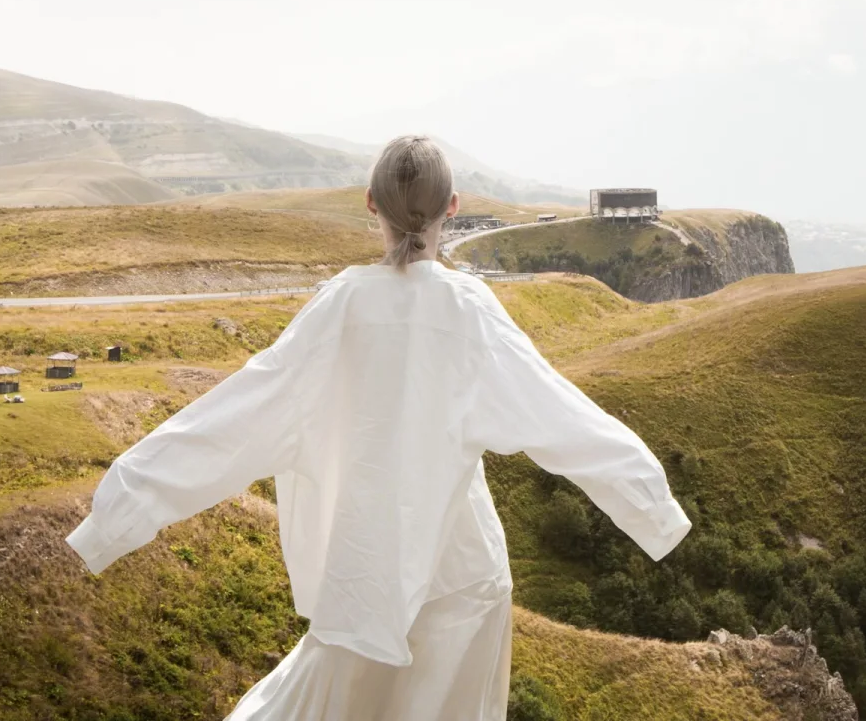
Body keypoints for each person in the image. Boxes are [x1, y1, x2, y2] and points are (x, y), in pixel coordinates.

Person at [65, 134, 692, 720]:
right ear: (452, 207)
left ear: (372, 203)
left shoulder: (339, 308)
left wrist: (119, 512)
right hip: (462, 580)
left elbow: (231, 420)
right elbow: (564, 417)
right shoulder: (469, 312)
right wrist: (652, 507)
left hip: (365, 578)